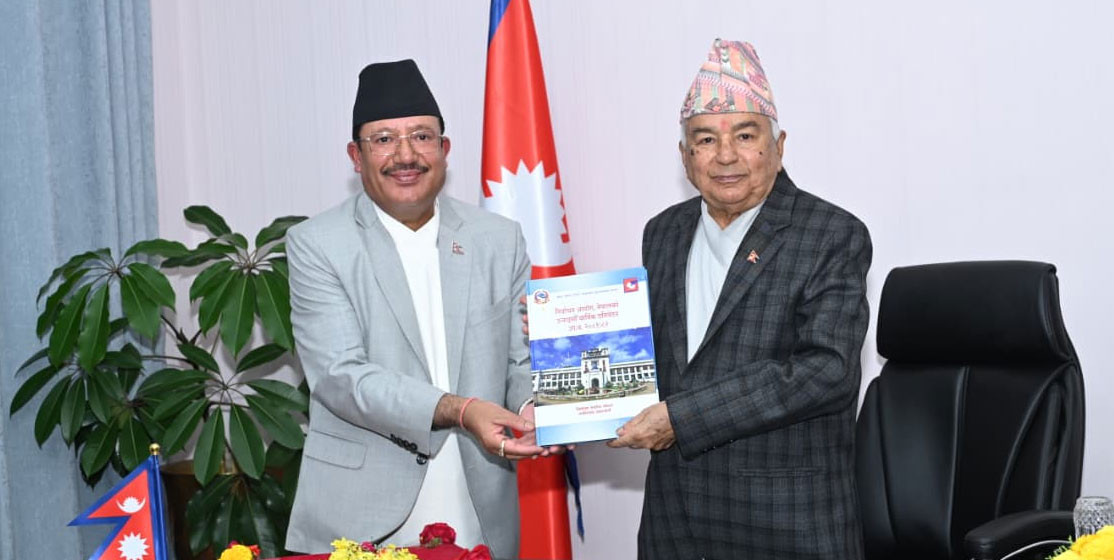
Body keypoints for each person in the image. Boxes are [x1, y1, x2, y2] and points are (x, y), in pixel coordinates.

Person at [609, 39, 872, 559]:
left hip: (784, 526)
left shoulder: (831, 233)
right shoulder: (662, 232)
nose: (725, 155)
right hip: (675, 522)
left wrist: (682, 418)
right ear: (684, 156)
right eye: (705, 139)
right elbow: (653, 357)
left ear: (779, 146)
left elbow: (827, 371)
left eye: (745, 136)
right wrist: (567, 357)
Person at [284, 59, 551, 557]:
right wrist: (461, 410)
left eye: (422, 137)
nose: (405, 155)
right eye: (384, 139)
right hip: (360, 518)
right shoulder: (317, 244)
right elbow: (341, 377)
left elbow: (521, 358)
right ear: (356, 155)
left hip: (479, 505)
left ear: (445, 150)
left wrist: (534, 408)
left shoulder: (498, 238)